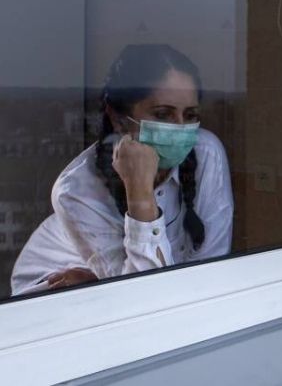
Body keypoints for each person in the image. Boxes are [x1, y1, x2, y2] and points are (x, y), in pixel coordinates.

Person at [11, 45, 234, 295]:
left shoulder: (207, 152)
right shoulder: (76, 190)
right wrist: (139, 192)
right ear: (118, 119)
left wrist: (100, 284)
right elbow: (140, 298)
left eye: (190, 115)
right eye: (163, 114)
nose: (181, 128)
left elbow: (212, 269)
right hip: (47, 303)